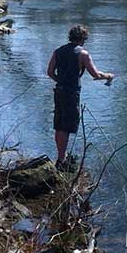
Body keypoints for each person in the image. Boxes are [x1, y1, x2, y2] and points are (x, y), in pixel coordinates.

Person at [47, 25, 113, 164]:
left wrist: (61, 81)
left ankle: (61, 156)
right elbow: (95, 74)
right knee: (66, 126)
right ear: (83, 38)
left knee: (59, 125)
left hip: (59, 91)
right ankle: (61, 160)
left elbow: (50, 72)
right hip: (71, 93)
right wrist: (108, 76)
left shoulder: (58, 51)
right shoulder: (83, 54)